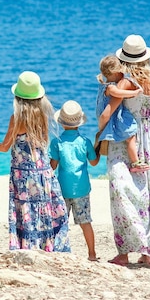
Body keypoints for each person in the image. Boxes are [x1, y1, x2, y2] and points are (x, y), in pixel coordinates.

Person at [98, 34, 150, 266]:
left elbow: (106, 115)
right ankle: (148, 251)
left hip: (126, 139)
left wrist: (99, 132)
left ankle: (124, 252)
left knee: (123, 193)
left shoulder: (125, 83)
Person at [0, 71, 70, 252]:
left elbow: (4, 146)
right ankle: (46, 247)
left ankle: (27, 248)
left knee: (26, 211)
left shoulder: (17, 120)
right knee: (42, 210)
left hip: (24, 176)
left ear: (18, 98)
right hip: (43, 173)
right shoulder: (42, 116)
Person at [49, 100, 99, 261]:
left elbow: (53, 165)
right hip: (82, 188)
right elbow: (94, 162)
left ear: (62, 123)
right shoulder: (85, 142)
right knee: (85, 222)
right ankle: (92, 254)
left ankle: (57, 251)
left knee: (60, 222)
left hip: (62, 188)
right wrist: (98, 147)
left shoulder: (57, 142)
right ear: (79, 123)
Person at [95, 55, 148, 172]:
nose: (123, 74)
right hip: (112, 116)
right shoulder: (110, 88)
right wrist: (135, 92)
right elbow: (119, 93)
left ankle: (135, 162)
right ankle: (135, 162)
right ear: (114, 73)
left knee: (130, 137)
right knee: (131, 135)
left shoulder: (104, 86)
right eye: (121, 72)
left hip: (110, 115)